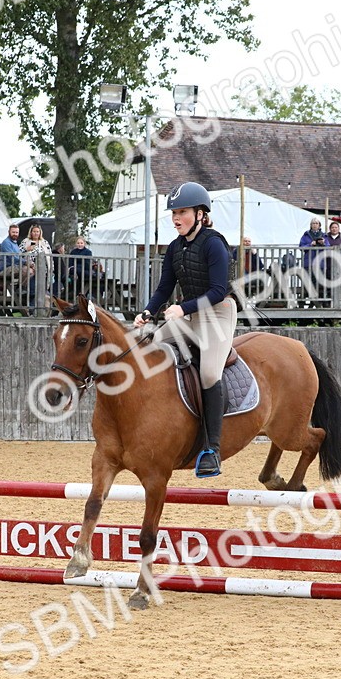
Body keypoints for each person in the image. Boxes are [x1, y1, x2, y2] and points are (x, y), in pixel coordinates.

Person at [134, 182, 236, 478]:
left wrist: (183, 309)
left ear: (201, 214)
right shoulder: (175, 248)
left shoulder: (214, 243)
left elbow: (218, 290)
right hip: (188, 315)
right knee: (147, 343)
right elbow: (165, 286)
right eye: (174, 212)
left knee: (208, 374)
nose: (176, 218)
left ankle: (212, 449)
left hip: (217, 315)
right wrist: (147, 312)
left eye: (182, 212)